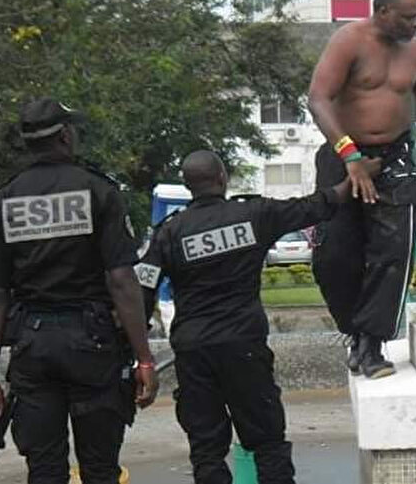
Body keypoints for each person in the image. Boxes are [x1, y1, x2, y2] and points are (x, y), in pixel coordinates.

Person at [135, 150, 379, 484]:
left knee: (206, 450)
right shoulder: (254, 214)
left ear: (188, 186)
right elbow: (316, 205)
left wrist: (141, 357)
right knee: (268, 443)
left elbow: (141, 289)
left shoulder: (169, 232)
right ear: (222, 179)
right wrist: (358, 175)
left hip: (194, 353)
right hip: (244, 347)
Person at [0, 98, 158, 484]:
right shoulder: (98, 191)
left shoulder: (4, 200)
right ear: (64, 136)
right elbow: (122, 280)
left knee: (44, 470)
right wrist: (144, 359)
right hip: (92, 343)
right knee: (99, 468)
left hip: (31, 345)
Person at [307, 0, 416, 379]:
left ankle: (372, 343)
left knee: (392, 255)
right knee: (334, 257)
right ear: (382, 12)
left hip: (394, 160)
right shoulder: (349, 41)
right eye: (407, 17)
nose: (415, 24)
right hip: (345, 158)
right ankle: (354, 332)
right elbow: (318, 98)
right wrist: (350, 157)